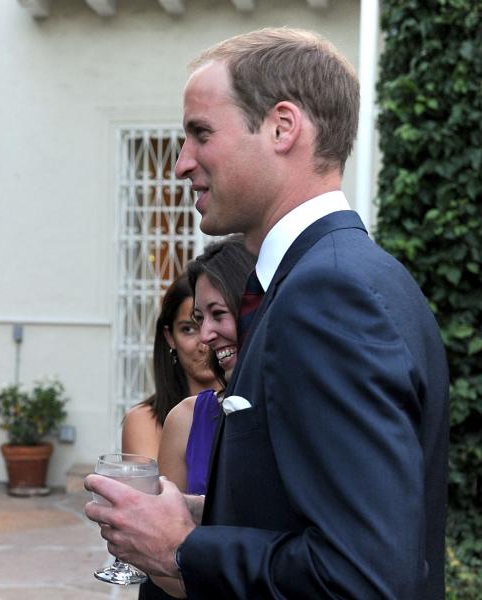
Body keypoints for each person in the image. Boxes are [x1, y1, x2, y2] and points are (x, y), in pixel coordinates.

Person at [85, 27, 449, 599]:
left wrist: (182, 549)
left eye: (200, 133)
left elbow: (367, 576)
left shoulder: (327, 293)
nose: (182, 163)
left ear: (283, 127)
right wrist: (209, 514)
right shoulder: (348, 274)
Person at [144, 237, 253, 600]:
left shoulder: (296, 411)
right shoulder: (186, 419)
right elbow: (160, 558)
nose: (206, 335)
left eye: (218, 314)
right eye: (196, 321)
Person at [121, 272, 217, 461]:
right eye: (188, 329)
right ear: (170, 337)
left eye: (216, 321)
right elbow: (153, 491)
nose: (203, 343)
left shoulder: (249, 409)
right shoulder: (145, 421)